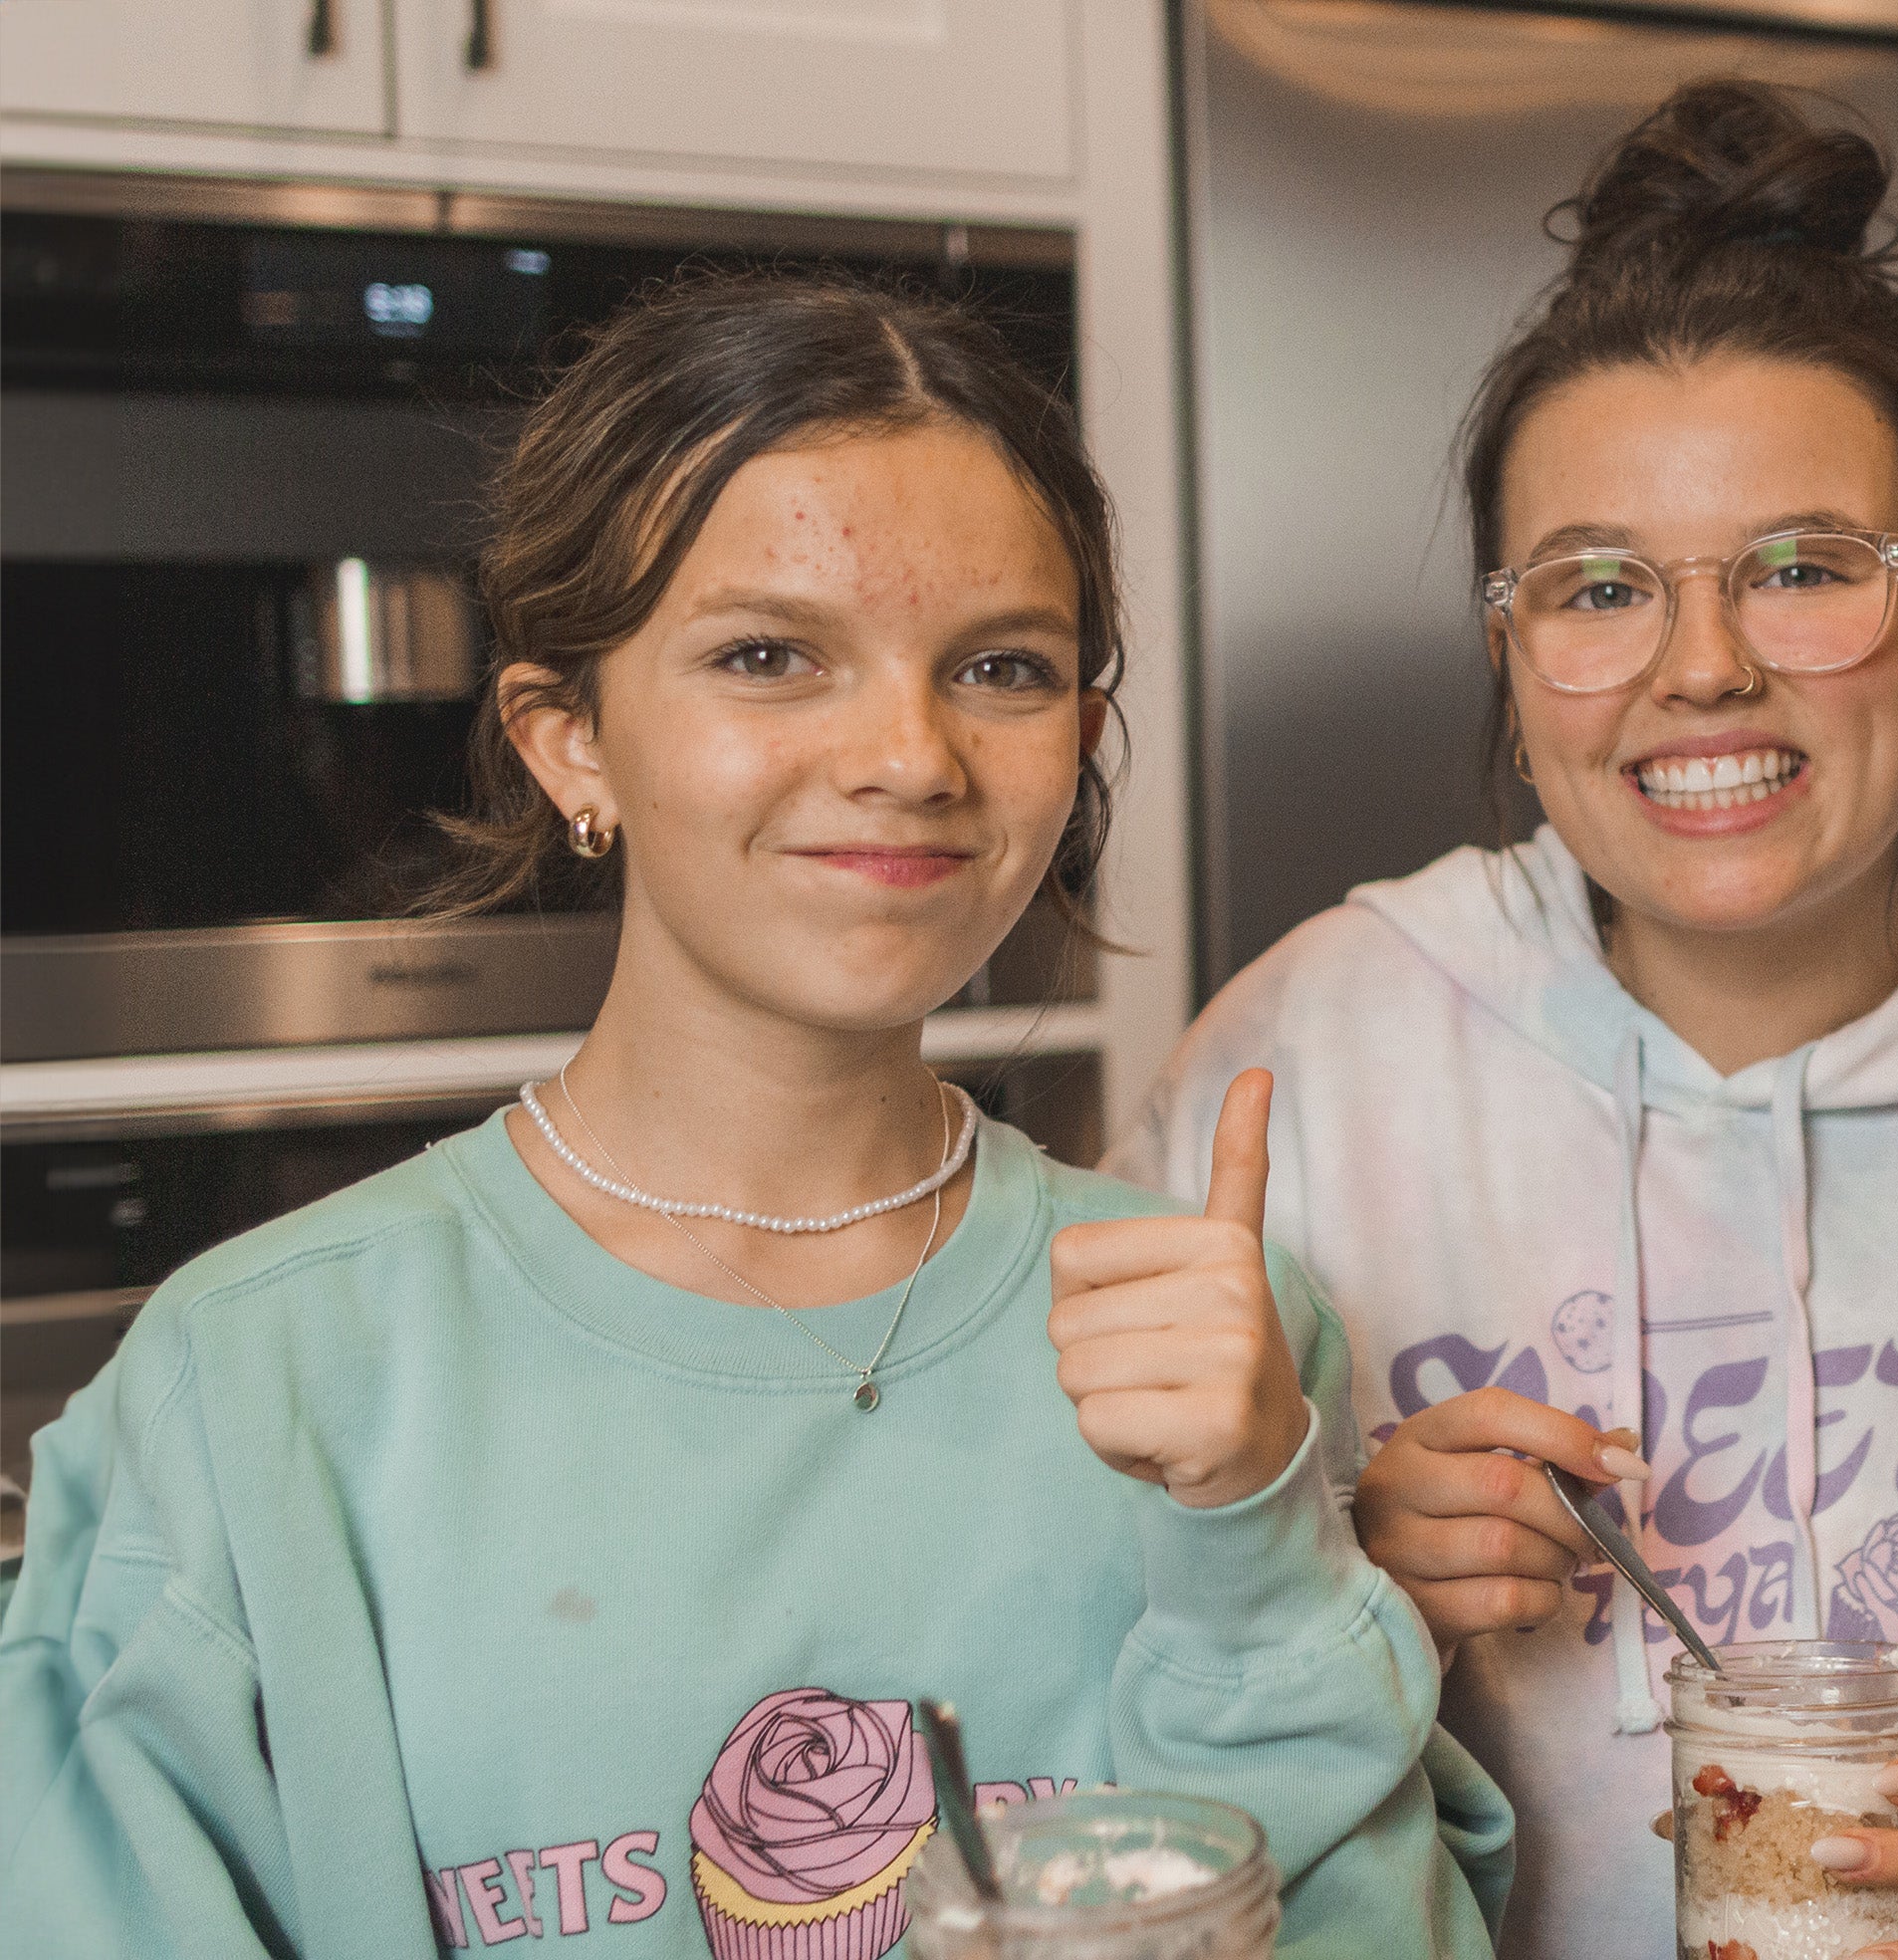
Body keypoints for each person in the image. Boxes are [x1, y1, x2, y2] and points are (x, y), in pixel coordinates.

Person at [0, 271, 1507, 1958]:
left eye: (1001, 667)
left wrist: (1248, 1539)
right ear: (568, 737)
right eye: (771, 655)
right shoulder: (258, 1387)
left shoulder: (1212, 1328)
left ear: (1078, 745)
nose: (909, 754)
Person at [1113, 83, 1898, 1960]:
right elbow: (1096, 1695)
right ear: (1515, 672)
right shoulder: (1305, 1069)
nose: (1703, 666)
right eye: (1599, 589)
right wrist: (1338, 1567)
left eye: (1808, 569)